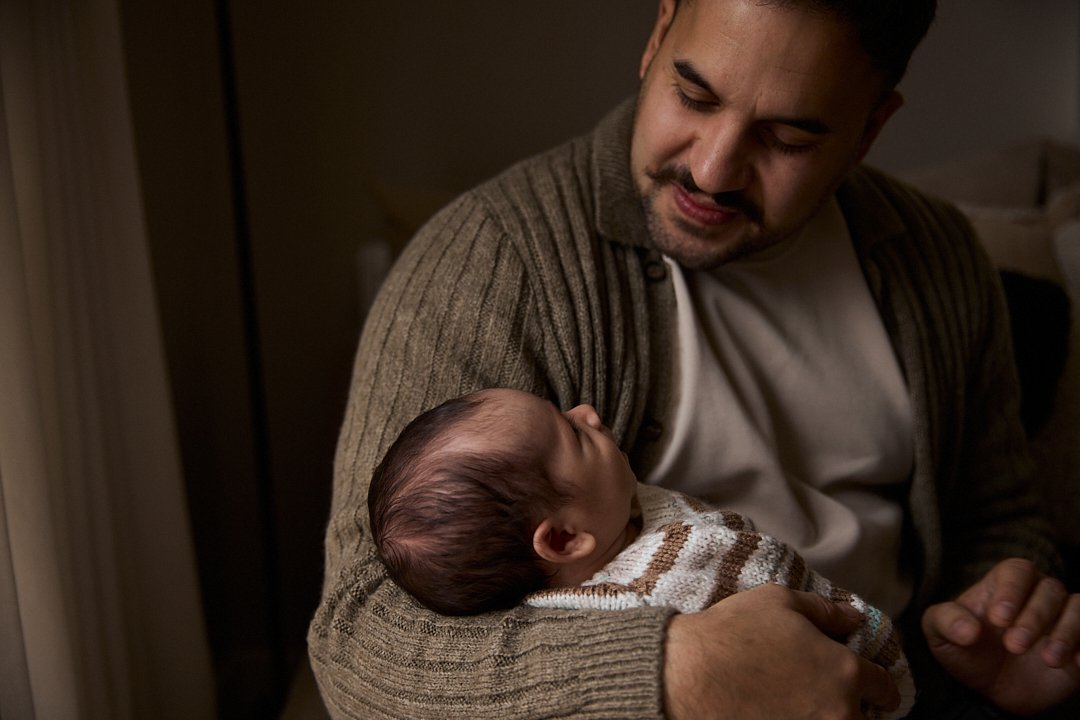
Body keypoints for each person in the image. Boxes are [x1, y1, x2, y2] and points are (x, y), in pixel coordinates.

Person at [309, 1, 1080, 717]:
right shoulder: (493, 259)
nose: (712, 171)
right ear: (658, 32)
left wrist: (1003, 614)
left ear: (872, 127)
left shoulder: (938, 256)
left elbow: (999, 519)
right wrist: (681, 674)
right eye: (695, 95)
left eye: (789, 139)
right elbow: (359, 645)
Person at [367, 387, 916, 720]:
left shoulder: (611, 514)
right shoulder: (647, 594)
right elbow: (758, 572)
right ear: (563, 539)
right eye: (574, 435)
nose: (587, 411)